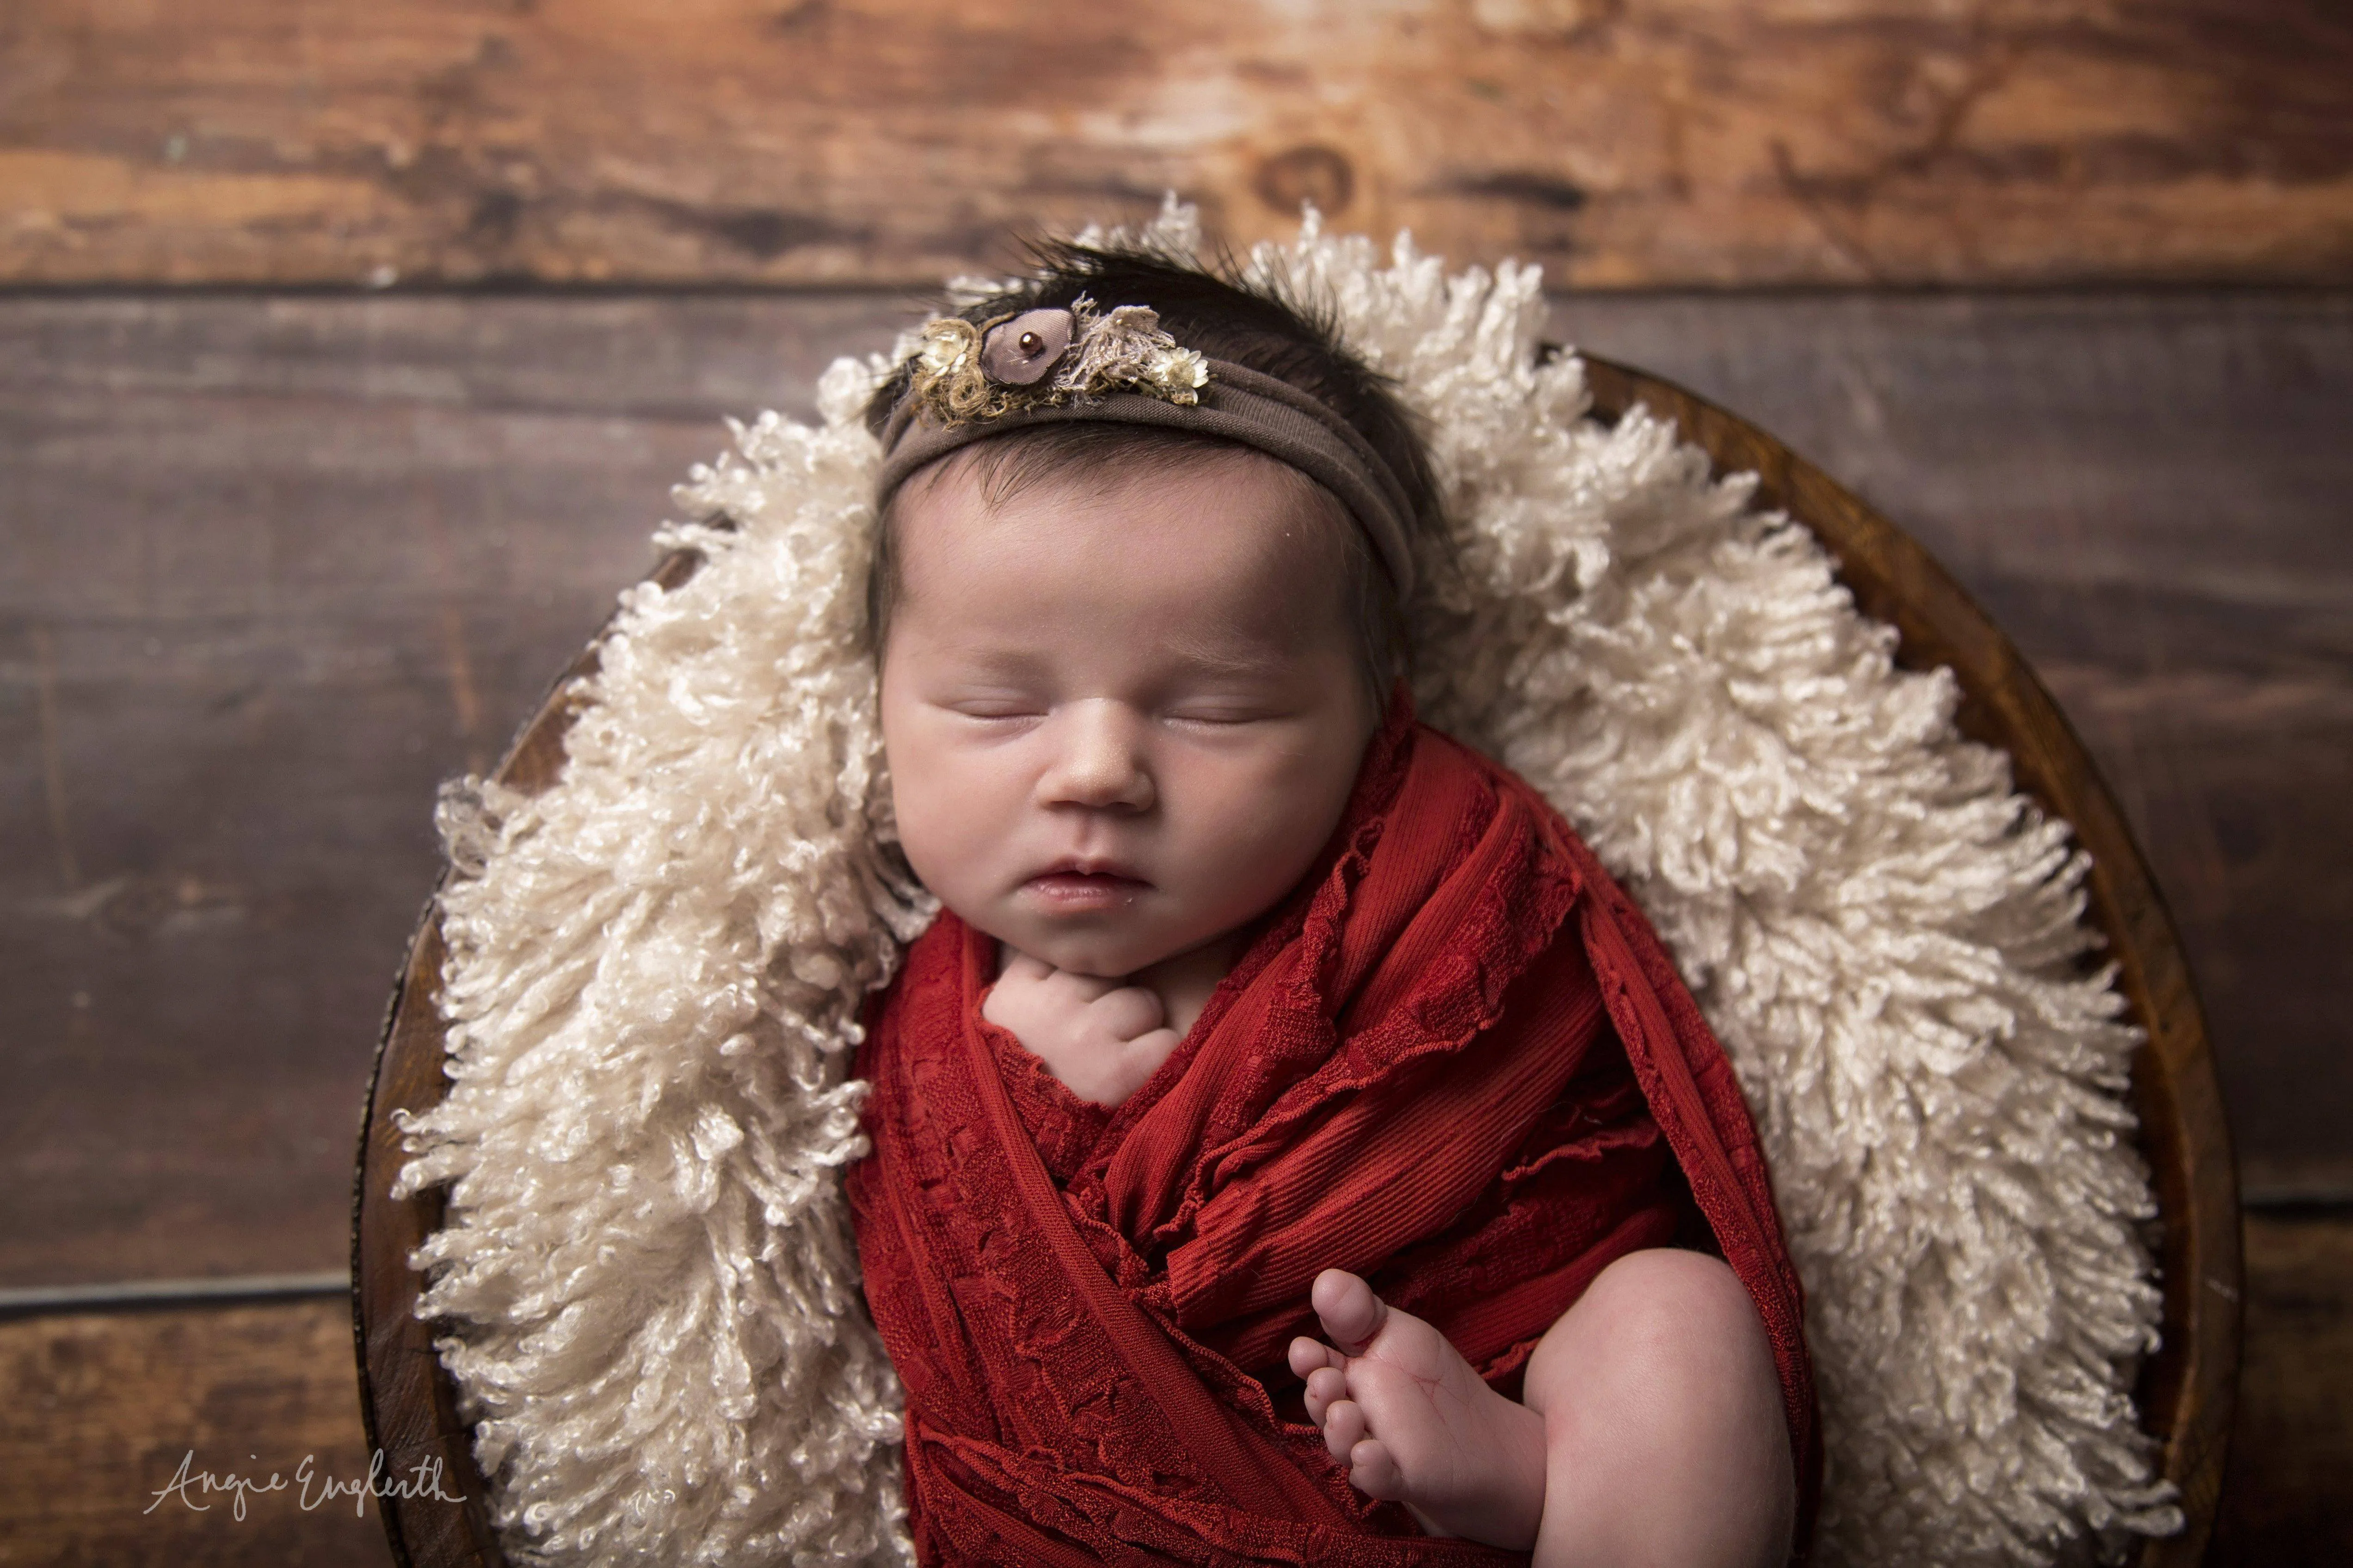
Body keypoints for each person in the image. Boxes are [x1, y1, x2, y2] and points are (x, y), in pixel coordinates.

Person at [844, 240, 1817, 1567]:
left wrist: (1526, 1449)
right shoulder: (894, 1025)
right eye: (1000, 706)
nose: (1097, 773)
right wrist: (1026, 1104)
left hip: (1509, 1391)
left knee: (1679, 1322)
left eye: (1216, 708)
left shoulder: (1453, 888)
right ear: (883, 704)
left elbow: (1585, 1170)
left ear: (1373, 716)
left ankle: (1553, 1490)